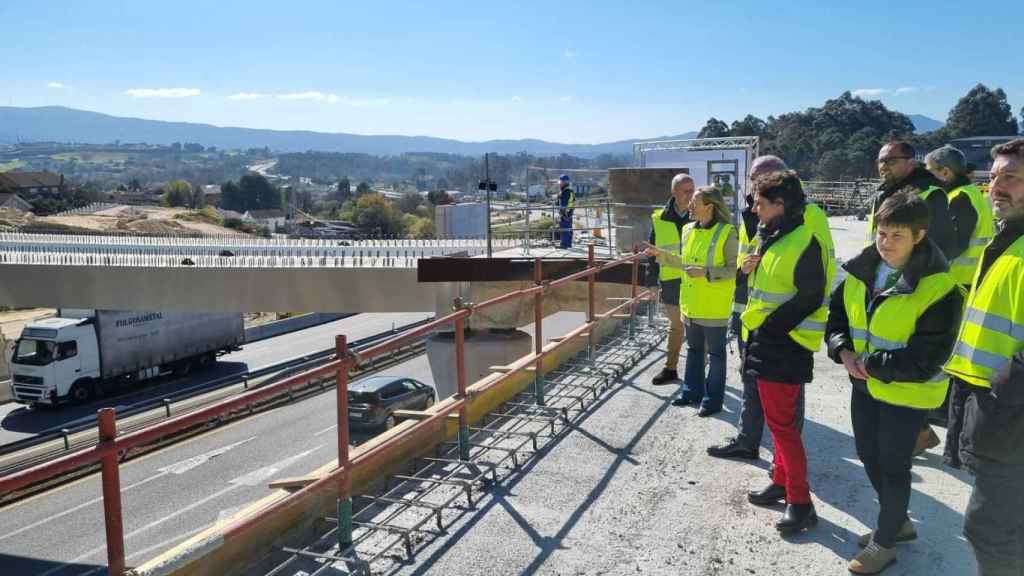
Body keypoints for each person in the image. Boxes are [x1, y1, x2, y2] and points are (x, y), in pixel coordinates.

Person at [826, 192, 962, 574]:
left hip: (906, 393)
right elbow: (837, 319)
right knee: (868, 454)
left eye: (897, 235)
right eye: (881, 233)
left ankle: (885, 542)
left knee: (893, 465)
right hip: (865, 384)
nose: (885, 243)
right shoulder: (860, 272)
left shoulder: (940, 289)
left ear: (919, 236)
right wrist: (842, 351)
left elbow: (925, 358)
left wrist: (869, 364)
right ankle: (897, 522)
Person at [709, 154, 836, 460]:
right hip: (752, 309)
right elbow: (749, 254)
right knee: (750, 378)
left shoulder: (809, 214)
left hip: (788, 323)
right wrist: (745, 267)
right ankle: (747, 440)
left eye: (760, 179)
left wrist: (774, 324)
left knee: (787, 392)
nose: (754, 185)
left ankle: (785, 460)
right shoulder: (753, 210)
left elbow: (816, 269)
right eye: (753, 179)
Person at [944, 138, 1024, 576]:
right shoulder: (1006, 241)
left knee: (990, 533)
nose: (996, 186)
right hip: (996, 412)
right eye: (993, 177)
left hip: (1010, 421)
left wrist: (997, 399)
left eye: (1010, 177)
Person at [741, 170, 827, 534]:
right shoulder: (776, 236)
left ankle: (801, 502)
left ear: (780, 205)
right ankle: (780, 480)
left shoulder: (803, 241)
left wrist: (770, 329)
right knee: (778, 424)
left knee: (783, 427)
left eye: (760, 204)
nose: (755, 210)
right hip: (768, 341)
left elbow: (810, 297)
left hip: (785, 345)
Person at [871, 140, 957, 456]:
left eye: (891, 160)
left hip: (916, 288)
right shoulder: (887, 192)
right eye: (881, 161)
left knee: (910, 358)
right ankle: (916, 431)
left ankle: (914, 432)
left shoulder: (930, 194)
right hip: (887, 280)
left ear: (911, 161)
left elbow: (945, 243)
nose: (884, 166)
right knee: (887, 353)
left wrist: (914, 277)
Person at [925, 144, 996, 469]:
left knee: (942, 355)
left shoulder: (959, 199)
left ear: (944, 173)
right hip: (963, 285)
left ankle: (930, 422)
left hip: (956, 286)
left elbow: (952, 246)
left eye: (930, 172)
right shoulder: (970, 195)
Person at [647, 187, 737, 415]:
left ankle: (712, 400)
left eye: (695, 202)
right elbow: (684, 262)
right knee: (694, 350)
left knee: (716, 356)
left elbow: (733, 269)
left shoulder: (727, 232)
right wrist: (660, 255)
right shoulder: (687, 230)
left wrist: (706, 272)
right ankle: (691, 393)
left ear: (710, 207)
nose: (690, 206)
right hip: (690, 304)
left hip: (714, 306)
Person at [646, 174, 694, 385]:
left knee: (697, 328)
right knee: (676, 327)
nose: (691, 195)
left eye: (692, 190)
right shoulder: (659, 218)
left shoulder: (700, 214)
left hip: (696, 280)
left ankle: (699, 371)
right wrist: (651, 281)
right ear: (674, 192)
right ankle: (671, 368)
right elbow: (652, 252)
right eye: (686, 191)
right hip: (671, 282)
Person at [557, 174, 575, 249]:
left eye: (560, 182)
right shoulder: (569, 191)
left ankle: (564, 244)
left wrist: (562, 213)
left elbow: (563, 204)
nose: (559, 184)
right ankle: (568, 244)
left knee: (564, 228)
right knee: (568, 228)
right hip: (569, 213)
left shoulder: (566, 192)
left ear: (564, 182)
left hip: (565, 213)